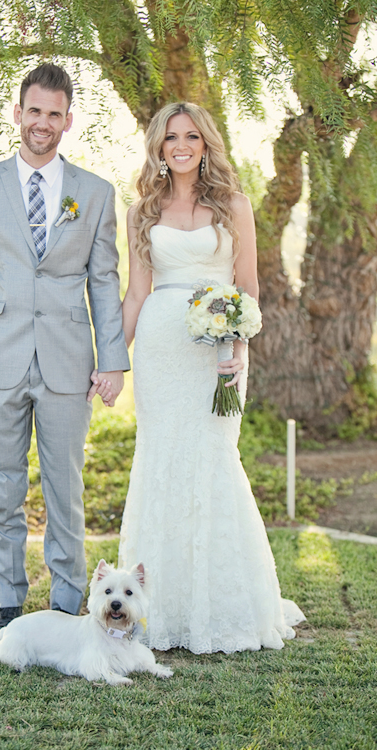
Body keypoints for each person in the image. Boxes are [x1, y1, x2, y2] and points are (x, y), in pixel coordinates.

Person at [0, 63, 130, 644]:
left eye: (55, 113)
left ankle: (66, 603)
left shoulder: (95, 193)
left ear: (68, 119)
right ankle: (7, 605)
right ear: (19, 113)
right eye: (35, 111)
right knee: (2, 488)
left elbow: (104, 279)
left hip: (68, 360)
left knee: (64, 487)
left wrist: (113, 359)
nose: (43, 123)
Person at [118, 102, 305, 654]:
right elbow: (136, 293)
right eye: (171, 136)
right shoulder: (141, 211)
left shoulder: (234, 205)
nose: (181, 145)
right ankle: (163, 607)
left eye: (191, 136)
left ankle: (222, 604)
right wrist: (109, 359)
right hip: (160, 350)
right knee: (161, 459)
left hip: (217, 355)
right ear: (157, 145)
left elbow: (247, 288)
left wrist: (237, 345)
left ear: (205, 144)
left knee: (214, 457)